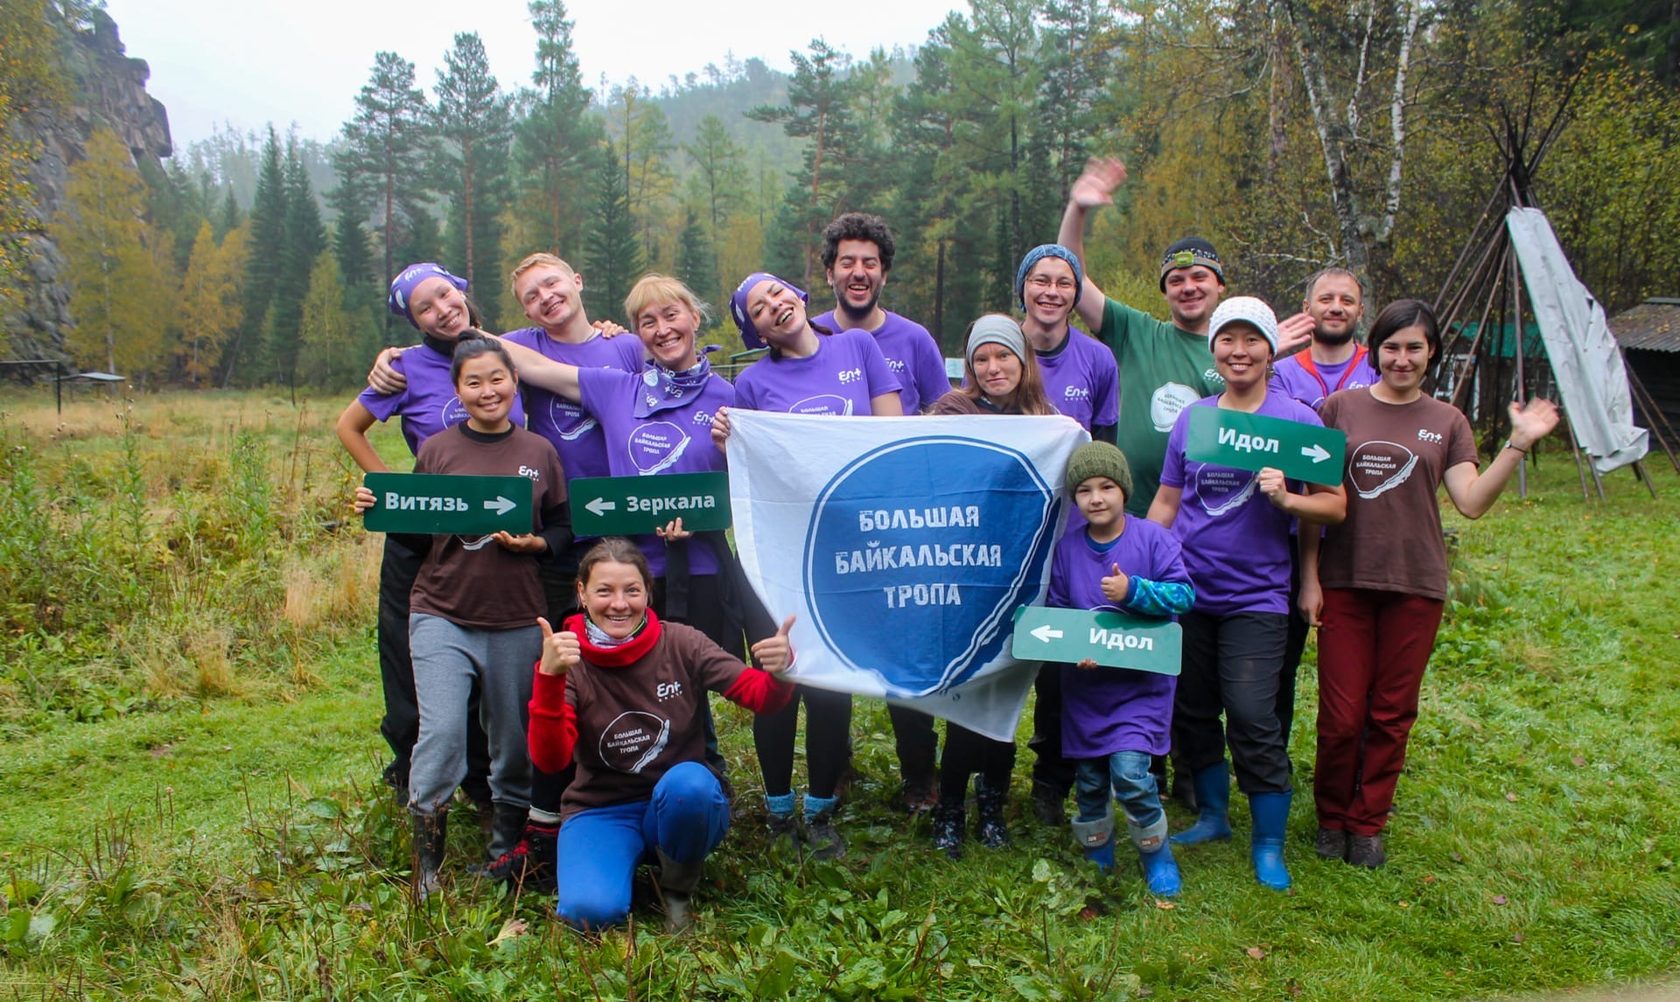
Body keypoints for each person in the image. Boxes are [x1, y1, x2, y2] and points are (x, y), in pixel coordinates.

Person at [1301, 298, 1558, 869]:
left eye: (1414, 347)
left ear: (1431, 352)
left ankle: (1367, 824)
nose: (1402, 358)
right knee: (1341, 716)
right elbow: (1316, 503)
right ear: (1375, 351)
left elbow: (1470, 502)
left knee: (1392, 712)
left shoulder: (1447, 421)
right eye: (1391, 346)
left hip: (1416, 584)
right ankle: (1330, 816)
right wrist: (1309, 578)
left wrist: (1516, 445)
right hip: (1345, 580)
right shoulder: (1337, 408)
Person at [352, 335, 570, 897]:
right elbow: (420, 531)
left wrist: (536, 546)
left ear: (514, 383)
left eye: (496, 379)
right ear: (457, 391)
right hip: (442, 613)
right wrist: (381, 507)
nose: (487, 390)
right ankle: (427, 865)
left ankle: (505, 853)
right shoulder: (439, 452)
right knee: (444, 733)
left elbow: (563, 531)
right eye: (473, 382)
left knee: (514, 742)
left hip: (518, 618)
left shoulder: (541, 452)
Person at [1147, 296, 1346, 892]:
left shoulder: (1299, 420)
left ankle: (1268, 843)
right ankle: (1212, 817)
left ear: (1269, 348)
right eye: (1227, 340)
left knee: (1256, 715)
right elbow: (1167, 501)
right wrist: (1136, 555)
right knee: (1192, 708)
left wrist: (1288, 501)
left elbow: (1333, 505)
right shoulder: (1196, 420)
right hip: (1188, 591)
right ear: (1214, 350)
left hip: (1258, 596)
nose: (1239, 351)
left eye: (1251, 339)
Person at [711, 270, 904, 858]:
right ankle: (775, 808)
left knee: (827, 676)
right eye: (758, 308)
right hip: (772, 552)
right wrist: (727, 441)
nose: (774, 307)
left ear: (799, 296)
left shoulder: (856, 347)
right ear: (754, 328)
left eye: (778, 294)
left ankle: (821, 811)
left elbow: (893, 436)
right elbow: (739, 477)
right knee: (778, 674)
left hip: (844, 547)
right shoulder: (750, 384)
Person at [528, 538, 796, 932]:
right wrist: (549, 679)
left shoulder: (682, 642)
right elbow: (551, 761)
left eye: (631, 590)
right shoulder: (565, 659)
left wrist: (780, 671)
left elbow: (759, 696)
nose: (619, 604)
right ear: (582, 593)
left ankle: (677, 889)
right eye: (604, 590)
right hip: (601, 808)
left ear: (648, 593)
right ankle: (614, 865)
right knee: (589, 914)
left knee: (692, 785)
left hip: (679, 798)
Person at [335, 263, 520, 813]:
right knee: (411, 654)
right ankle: (414, 776)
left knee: (497, 654)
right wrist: (392, 492)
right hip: (426, 538)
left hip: (502, 531)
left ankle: (490, 784)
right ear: (413, 321)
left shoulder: (505, 352)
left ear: (461, 289)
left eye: (444, 294)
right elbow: (349, 427)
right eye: (424, 308)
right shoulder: (404, 368)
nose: (442, 309)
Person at [811, 211, 950, 813]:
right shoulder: (804, 333)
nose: (858, 272)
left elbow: (946, 424)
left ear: (884, 274)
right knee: (826, 645)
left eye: (870, 262)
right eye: (848, 262)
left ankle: (920, 774)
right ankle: (833, 766)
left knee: (905, 646)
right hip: (825, 524)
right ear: (829, 271)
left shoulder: (915, 341)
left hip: (898, 526)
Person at [922, 314, 1062, 856]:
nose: (993, 367)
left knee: (1004, 702)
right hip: (962, 580)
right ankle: (950, 811)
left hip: (1020, 582)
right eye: (981, 358)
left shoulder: (1046, 423)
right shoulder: (950, 414)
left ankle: (993, 807)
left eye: (1003, 355)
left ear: (1022, 360)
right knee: (965, 699)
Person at [1049, 441, 1194, 896]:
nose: (1096, 498)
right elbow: (1056, 612)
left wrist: (1133, 591)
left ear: (1124, 491)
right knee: (1090, 778)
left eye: (1107, 487)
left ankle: (1157, 853)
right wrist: (1076, 648)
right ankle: (1098, 856)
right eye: (1085, 490)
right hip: (1087, 688)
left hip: (1141, 687)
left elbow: (1184, 596)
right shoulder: (1067, 550)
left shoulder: (1154, 538)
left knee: (1130, 773)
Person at [1012, 242, 1123, 825]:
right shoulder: (1001, 349)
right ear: (1023, 289)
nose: (1052, 291)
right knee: (1004, 656)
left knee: (1067, 661)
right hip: (1010, 537)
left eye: (1064, 282)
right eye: (1040, 280)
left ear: (1077, 294)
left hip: (1074, 537)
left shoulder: (1098, 360)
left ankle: (1055, 778)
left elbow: (1104, 449)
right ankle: (982, 770)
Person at [1267, 267, 1382, 759]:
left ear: (1360, 310)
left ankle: (1360, 758)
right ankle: (1271, 756)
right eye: (1325, 299)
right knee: (1283, 661)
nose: (1336, 307)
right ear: (1308, 308)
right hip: (1290, 534)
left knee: (1362, 667)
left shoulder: (1381, 368)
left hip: (1363, 538)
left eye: (1347, 300)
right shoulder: (1283, 372)